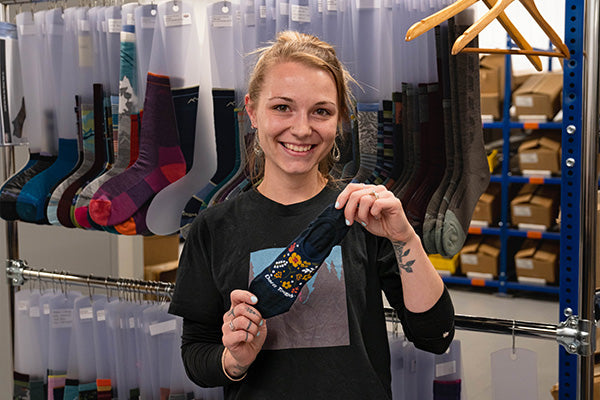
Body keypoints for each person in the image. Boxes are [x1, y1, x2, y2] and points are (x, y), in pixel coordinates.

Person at [169, 30, 455, 399]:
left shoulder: (363, 215)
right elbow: (196, 357)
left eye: (321, 111)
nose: (302, 129)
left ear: (339, 121)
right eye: (282, 107)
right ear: (253, 111)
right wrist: (234, 360)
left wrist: (405, 239)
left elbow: (435, 335)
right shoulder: (213, 228)